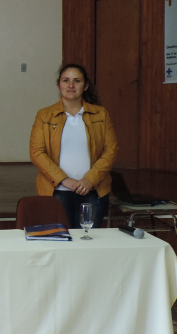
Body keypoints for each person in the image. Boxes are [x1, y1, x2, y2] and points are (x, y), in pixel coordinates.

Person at [29, 63, 118, 229]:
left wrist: (90, 180)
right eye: (66, 80)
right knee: (60, 239)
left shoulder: (101, 114)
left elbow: (110, 150)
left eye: (77, 81)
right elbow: (37, 152)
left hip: (93, 191)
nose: (71, 85)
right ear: (58, 85)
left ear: (86, 86)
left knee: (88, 239)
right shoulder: (44, 115)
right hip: (56, 191)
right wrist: (64, 180)